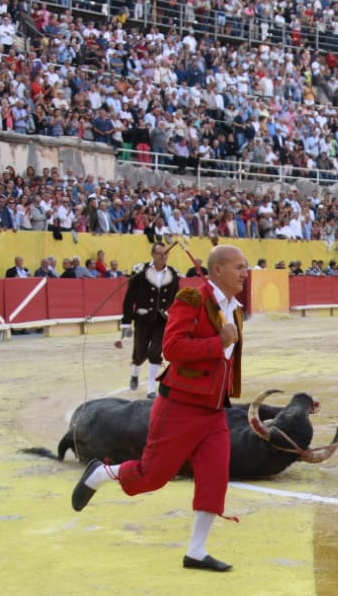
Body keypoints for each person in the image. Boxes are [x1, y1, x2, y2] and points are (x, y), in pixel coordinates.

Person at [72, 244, 250, 573]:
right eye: (239, 267)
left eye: (246, 267)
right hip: (180, 405)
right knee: (151, 476)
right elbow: (172, 347)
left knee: (215, 476)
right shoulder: (192, 299)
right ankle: (102, 473)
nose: (245, 272)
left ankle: (196, 551)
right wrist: (218, 342)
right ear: (217, 271)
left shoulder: (233, 308)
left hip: (213, 409)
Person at [117, 242, 181, 396]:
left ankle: (152, 388)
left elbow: (176, 299)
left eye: (166, 253)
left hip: (162, 319)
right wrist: (126, 322)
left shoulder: (173, 274)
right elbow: (129, 298)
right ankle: (135, 371)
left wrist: (176, 319)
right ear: (153, 254)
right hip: (143, 318)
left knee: (155, 352)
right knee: (140, 352)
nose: (164, 256)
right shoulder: (140, 271)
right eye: (160, 253)